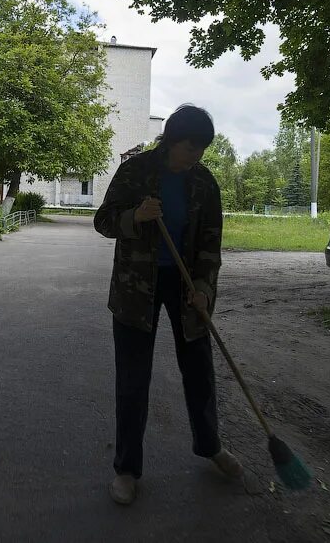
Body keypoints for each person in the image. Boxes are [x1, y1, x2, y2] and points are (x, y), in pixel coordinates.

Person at [93, 104, 243, 506]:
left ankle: (210, 445)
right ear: (173, 141)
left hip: (185, 288)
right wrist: (136, 216)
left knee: (199, 371)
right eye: (190, 149)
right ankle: (126, 469)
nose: (196, 157)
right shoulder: (136, 172)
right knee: (133, 380)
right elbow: (104, 221)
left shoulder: (204, 183)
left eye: (201, 151)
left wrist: (204, 288)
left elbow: (211, 243)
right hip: (134, 289)